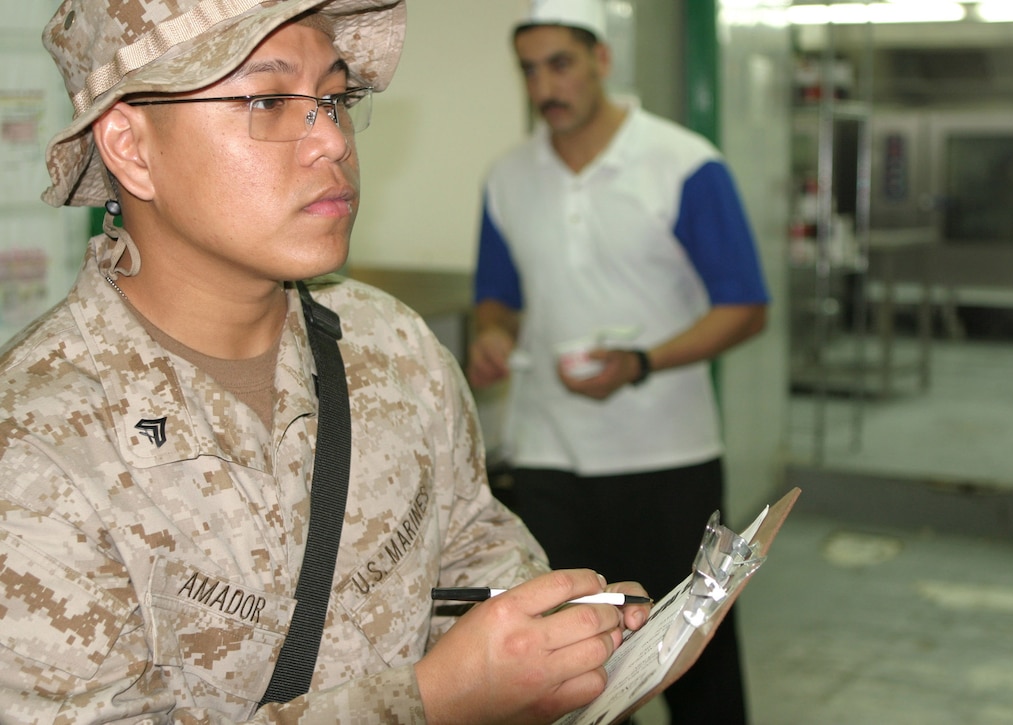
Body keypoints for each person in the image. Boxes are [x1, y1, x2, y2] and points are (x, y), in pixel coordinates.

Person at [0, 0, 652, 722]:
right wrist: (433, 702)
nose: (331, 142)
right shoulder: (36, 442)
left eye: (335, 99)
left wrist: (575, 647)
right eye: (269, 100)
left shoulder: (390, 346)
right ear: (130, 146)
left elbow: (471, 556)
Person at [467, 0, 770, 722]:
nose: (545, 86)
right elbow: (497, 297)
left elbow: (746, 306)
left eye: (561, 64)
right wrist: (492, 336)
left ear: (602, 60)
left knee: (692, 653)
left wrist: (641, 361)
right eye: (530, 69)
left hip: (667, 454)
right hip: (548, 455)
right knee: (575, 662)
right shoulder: (508, 177)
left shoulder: (683, 164)